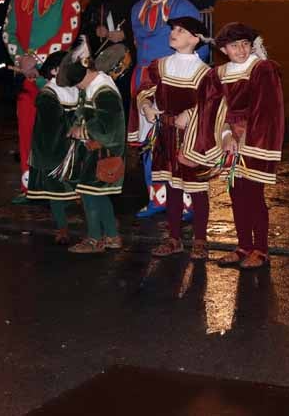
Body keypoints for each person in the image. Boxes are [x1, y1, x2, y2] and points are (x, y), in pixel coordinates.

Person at [128, 0, 205, 218]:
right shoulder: (135, 9)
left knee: (177, 143)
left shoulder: (184, 8)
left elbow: (200, 49)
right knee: (150, 144)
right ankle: (157, 198)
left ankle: (186, 201)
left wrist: (187, 81)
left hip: (174, 82)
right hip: (144, 83)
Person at [2, 0, 81, 199]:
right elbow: (8, 30)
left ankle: (58, 184)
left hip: (53, 75)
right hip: (25, 76)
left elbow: (67, 33)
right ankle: (30, 185)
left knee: (55, 132)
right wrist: (21, 59)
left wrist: (37, 58)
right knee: (27, 130)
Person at [133, 16, 220, 260]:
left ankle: (200, 240)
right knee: (171, 186)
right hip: (166, 135)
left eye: (181, 30)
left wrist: (190, 114)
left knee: (197, 189)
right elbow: (144, 92)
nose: (174, 33)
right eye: (173, 29)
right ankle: (174, 239)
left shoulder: (206, 73)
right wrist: (147, 107)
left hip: (192, 138)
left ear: (195, 39)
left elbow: (211, 104)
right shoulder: (159, 66)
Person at [208, 23, 284, 270]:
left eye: (245, 44)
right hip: (230, 140)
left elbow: (265, 108)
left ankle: (261, 249)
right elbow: (217, 109)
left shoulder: (261, 69)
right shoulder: (218, 74)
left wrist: (245, 137)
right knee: (236, 193)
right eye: (234, 45)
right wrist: (227, 134)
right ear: (223, 49)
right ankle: (243, 246)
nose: (240, 50)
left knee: (254, 195)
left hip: (254, 140)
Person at [59, 45, 127, 254]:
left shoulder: (103, 90)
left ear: (86, 75)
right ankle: (113, 236)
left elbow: (108, 126)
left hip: (102, 153)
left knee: (89, 195)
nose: (78, 88)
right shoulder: (94, 85)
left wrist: (83, 130)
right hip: (95, 152)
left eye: (78, 83)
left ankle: (94, 239)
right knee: (98, 195)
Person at [25, 50, 78, 244]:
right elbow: (53, 125)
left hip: (71, 147)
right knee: (57, 191)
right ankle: (62, 228)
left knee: (75, 190)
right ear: (55, 71)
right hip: (53, 149)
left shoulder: (74, 88)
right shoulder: (49, 93)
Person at [84, 0, 143, 114]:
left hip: (127, 60)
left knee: (123, 100)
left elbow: (143, 27)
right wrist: (96, 29)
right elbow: (86, 22)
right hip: (101, 57)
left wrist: (125, 34)